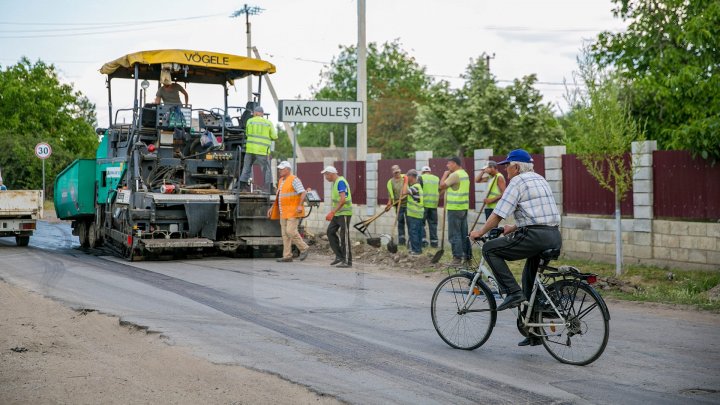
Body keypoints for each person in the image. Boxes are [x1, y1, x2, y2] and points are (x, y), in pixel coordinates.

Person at [470, 149, 561, 347]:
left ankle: (512, 293)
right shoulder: (540, 179)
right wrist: (514, 227)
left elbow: (498, 214)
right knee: (528, 278)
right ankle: (534, 332)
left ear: (517, 167)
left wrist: (480, 232)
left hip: (534, 237)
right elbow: (540, 214)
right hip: (553, 236)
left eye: (507, 166)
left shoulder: (518, 181)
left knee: (490, 249)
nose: (506, 170)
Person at [268, 161, 309, 263]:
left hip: (293, 211)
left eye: (281, 169)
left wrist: (300, 205)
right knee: (285, 235)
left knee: (290, 231)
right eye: (279, 169)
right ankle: (287, 256)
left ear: (287, 169)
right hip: (284, 212)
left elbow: (303, 192)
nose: (279, 170)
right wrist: (272, 208)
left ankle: (304, 248)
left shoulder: (294, 179)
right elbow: (279, 197)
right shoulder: (281, 180)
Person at [439, 156, 472, 265]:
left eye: (449, 164)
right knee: (463, 234)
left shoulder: (455, 175)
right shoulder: (464, 174)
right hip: (463, 208)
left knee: (454, 234)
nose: (447, 166)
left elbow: (441, 186)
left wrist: (444, 175)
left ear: (454, 163)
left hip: (454, 208)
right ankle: (467, 258)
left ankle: (457, 258)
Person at [238, 106, 278, 192]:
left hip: (250, 150)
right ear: (262, 113)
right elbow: (275, 136)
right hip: (262, 151)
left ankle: (240, 188)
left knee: (246, 168)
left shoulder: (249, 121)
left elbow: (247, 134)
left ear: (255, 113)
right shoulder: (268, 123)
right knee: (266, 169)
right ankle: (269, 188)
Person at [322, 166, 352, 268]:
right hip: (338, 214)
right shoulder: (335, 183)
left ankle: (347, 261)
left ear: (331, 174)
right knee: (330, 232)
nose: (325, 177)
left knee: (344, 237)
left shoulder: (340, 182)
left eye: (326, 175)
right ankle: (339, 256)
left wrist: (332, 212)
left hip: (344, 213)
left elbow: (343, 200)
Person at [384, 165, 408, 246]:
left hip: (408, 203)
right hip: (398, 204)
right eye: (395, 173)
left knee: (410, 222)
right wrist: (389, 203)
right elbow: (390, 194)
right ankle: (402, 241)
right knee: (400, 222)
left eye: (397, 172)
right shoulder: (390, 182)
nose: (396, 174)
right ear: (392, 173)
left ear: (400, 171)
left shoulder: (405, 178)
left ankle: (411, 241)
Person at [403, 170, 424, 255]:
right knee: (418, 232)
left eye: (408, 176)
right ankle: (418, 249)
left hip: (414, 214)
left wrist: (405, 181)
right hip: (418, 214)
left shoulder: (415, 187)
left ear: (412, 177)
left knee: (414, 232)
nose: (407, 178)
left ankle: (416, 250)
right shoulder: (417, 186)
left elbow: (404, 192)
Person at [419, 166, 439, 248]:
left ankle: (423, 241)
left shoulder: (421, 178)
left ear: (422, 172)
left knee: (421, 224)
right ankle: (434, 243)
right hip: (434, 205)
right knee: (433, 224)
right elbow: (440, 188)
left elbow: (418, 190)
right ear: (430, 171)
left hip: (423, 205)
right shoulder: (436, 178)